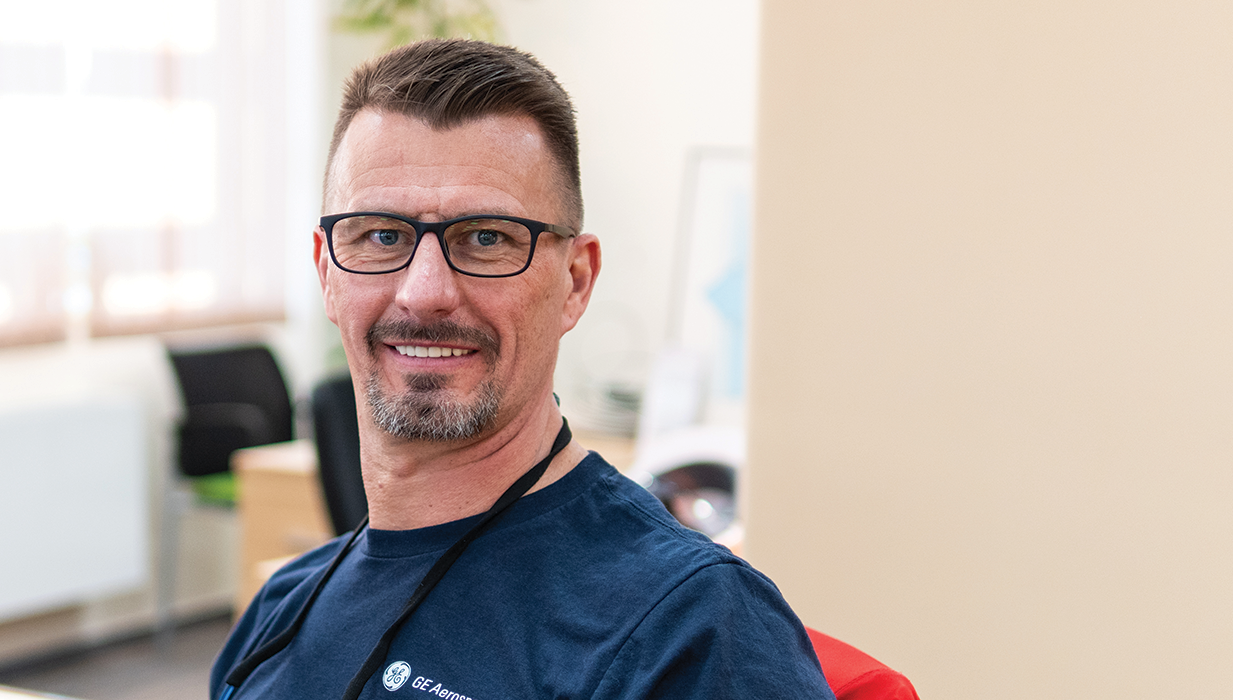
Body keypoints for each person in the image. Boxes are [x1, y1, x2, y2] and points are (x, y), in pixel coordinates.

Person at [210, 39, 834, 700]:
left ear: (575, 280)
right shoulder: (280, 611)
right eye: (382, 236)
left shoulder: (689, 626)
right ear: (327, 272)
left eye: (485, 239)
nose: (424, 293)